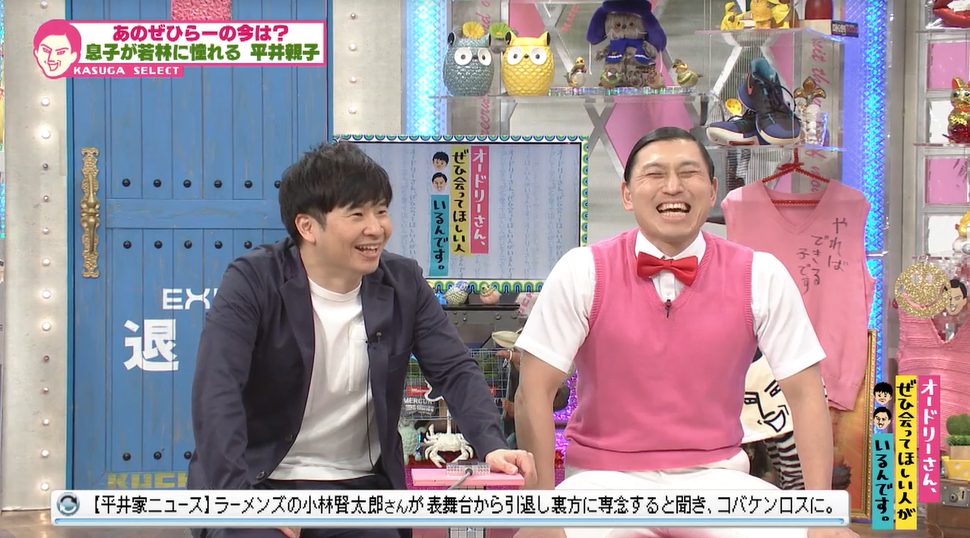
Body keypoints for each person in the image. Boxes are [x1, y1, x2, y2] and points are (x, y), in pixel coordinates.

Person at [511, 127, 858, 538]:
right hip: (602, 481)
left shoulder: (761, 274)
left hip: (719, 480)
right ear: (626, 194)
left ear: (712, 191)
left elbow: (806, 393)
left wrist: (819, 513)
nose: (673, 187)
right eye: (655, 174)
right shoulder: (581, 270)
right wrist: (540, 511)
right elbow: (533, 391)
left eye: (689, 173)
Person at [188, 141, 535, 538]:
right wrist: (239, 499)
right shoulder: (254, 281)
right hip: (260, 481)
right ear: (307, 227)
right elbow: (217, 390)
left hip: (360, 489)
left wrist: (491, 443)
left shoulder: (403, 282)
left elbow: (454, 369)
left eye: (381, 211)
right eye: (357, 214)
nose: (376, 228)